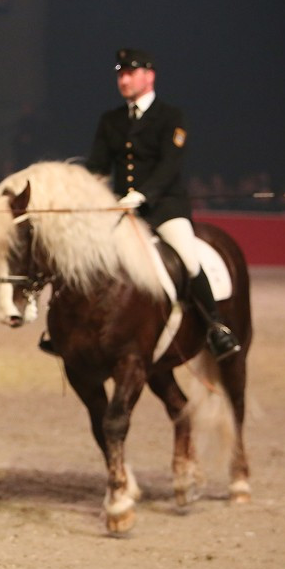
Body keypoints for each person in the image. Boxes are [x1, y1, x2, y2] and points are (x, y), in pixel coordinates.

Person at [84, 48, 240, 360]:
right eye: (120, 74)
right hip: (122, 211)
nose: (124, 79)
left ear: (149, 76)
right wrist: (89, 196)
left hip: (164, 208)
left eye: (130, 73)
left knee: (187, 257)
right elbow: (98, 168)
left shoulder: (171, 117)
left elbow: (170, 166)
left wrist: (143, 196)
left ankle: (215, 326)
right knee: (85, 258)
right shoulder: (111, 120)